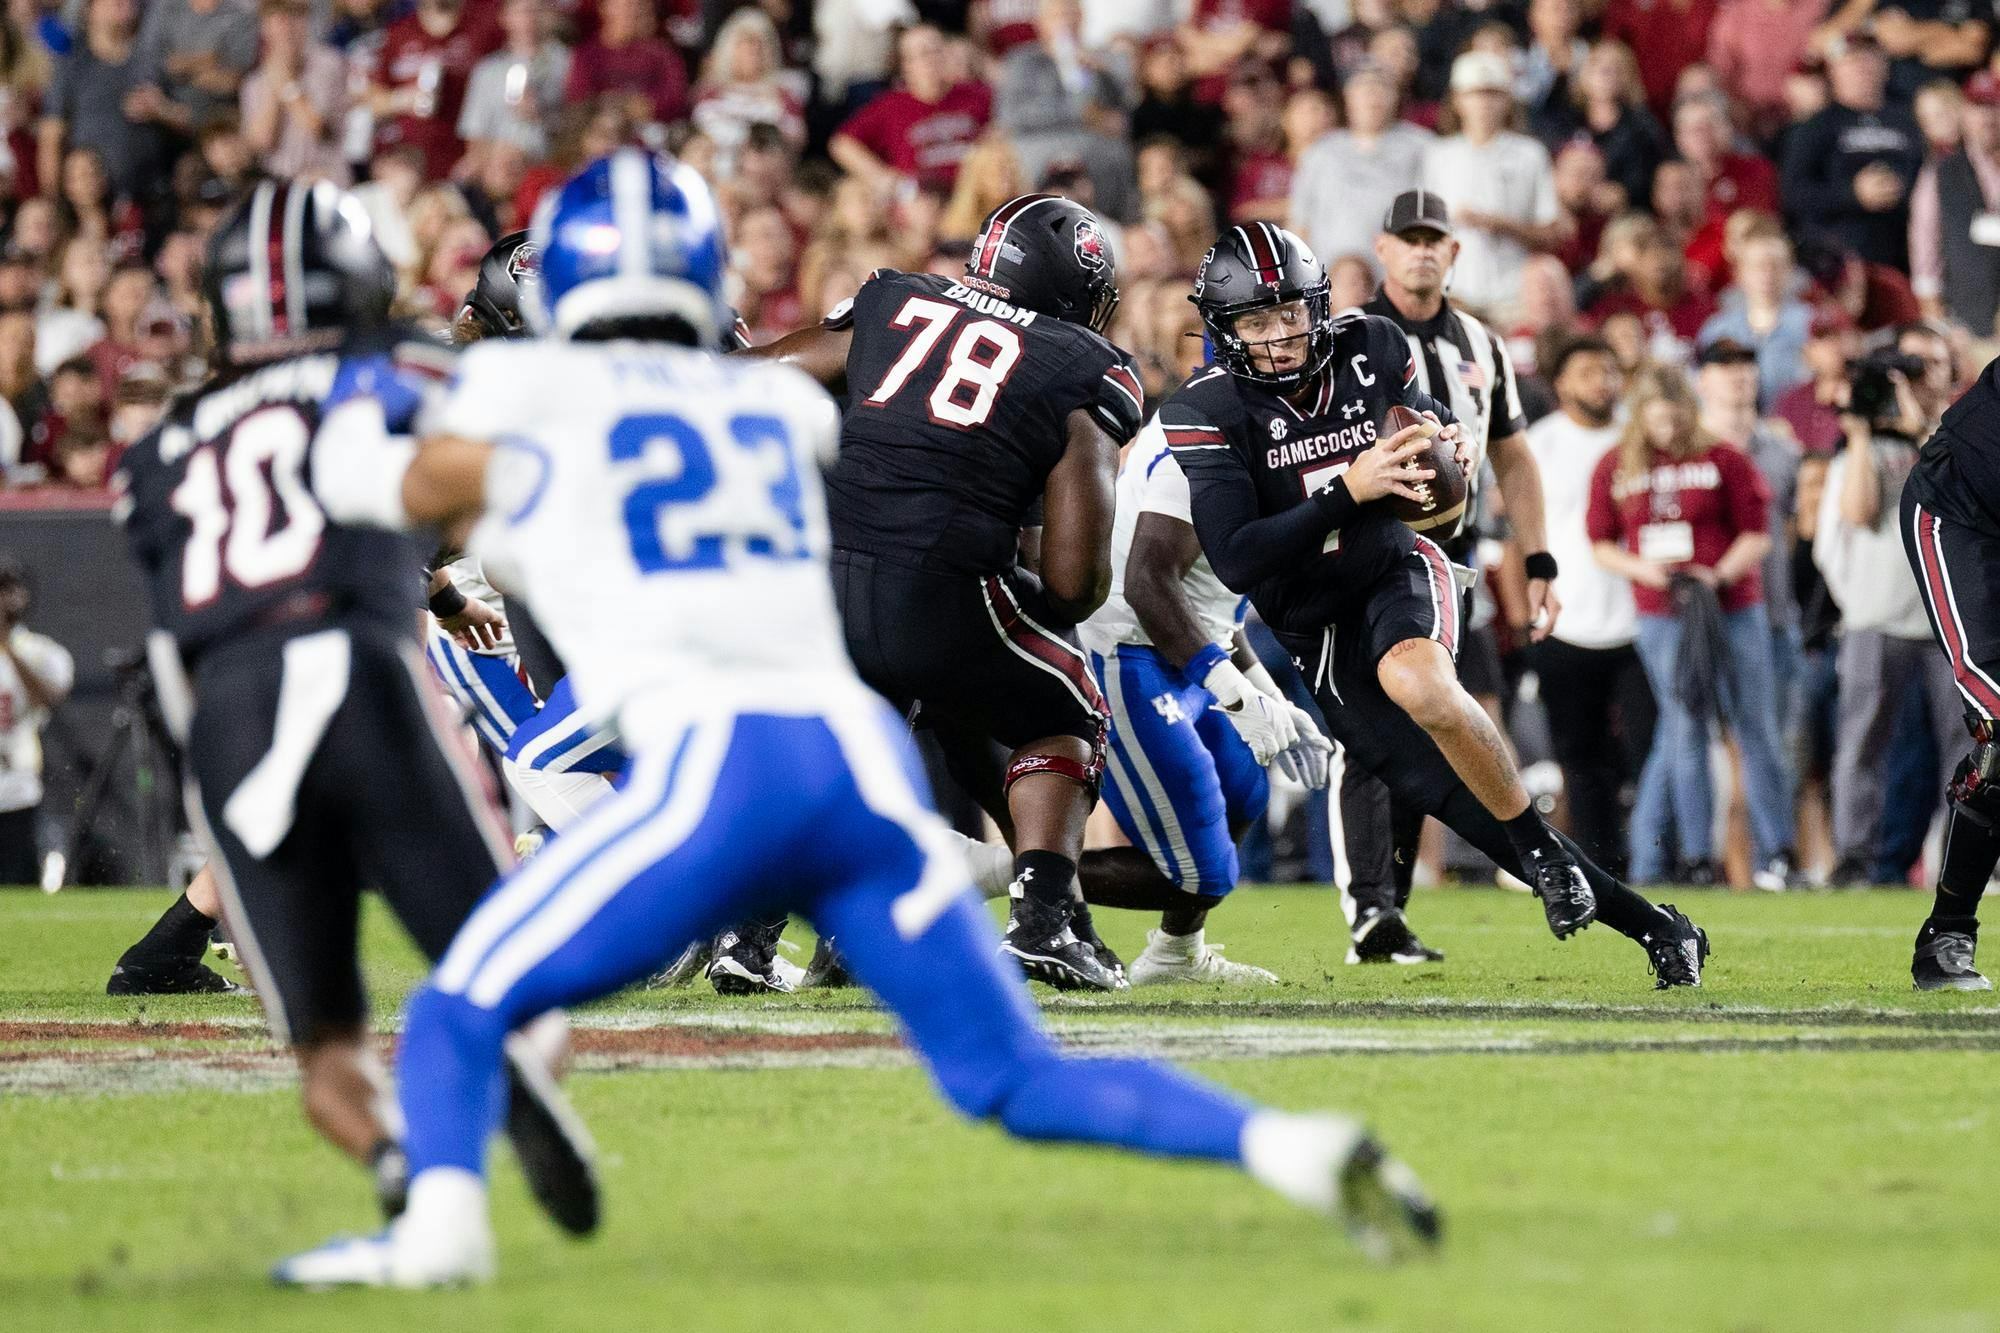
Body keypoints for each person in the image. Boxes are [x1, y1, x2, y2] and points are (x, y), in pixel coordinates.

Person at [271, 152, 1439, 1288]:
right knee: (1011, 1078)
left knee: (457, 1008)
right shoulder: (766, 412)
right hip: (853, 767)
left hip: (720, 772)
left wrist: (364, 393)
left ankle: (443, 1234)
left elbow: (369, 480)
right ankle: (1293, 1146)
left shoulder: (535, 401)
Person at [115, 178, 593, 1234]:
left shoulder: (158, 451)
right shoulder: (398, 363)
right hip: (358, 671)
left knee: (325, 1046)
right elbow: (438, 472)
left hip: (232, 708)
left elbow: (199, 604)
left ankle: (391, 1155)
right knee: (511, 977)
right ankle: (508, 1081)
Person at [1164, 222, 1707, 987]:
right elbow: (1238, 555)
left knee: (1417, 679)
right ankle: (1657, 925)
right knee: (1453, 799)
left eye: (1289, 313)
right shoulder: (1206, 407)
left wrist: (1447, 451)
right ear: (1225, 329)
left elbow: (1431, 446)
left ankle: (1544, 855)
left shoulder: (1370, 345)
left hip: (1395, 566)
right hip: (1314, 626)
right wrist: (1348, 490)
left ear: (1317, 306)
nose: (1279, 335)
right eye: (1256, 322)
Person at [756, 193, 1142, 992]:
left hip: (819, 581)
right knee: (1066, 706)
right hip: (938, 583)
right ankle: (1043, 917)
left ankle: (762, 930)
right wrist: (1024, 594)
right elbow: (1074, 582)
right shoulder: (1083, 363)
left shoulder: (895, 298)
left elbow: (761, 376)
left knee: (863, 731)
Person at [1335, 189, 1537, 962]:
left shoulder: (1483, 344)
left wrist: (1539, 557)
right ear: (1383, 249)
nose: (1422, 250)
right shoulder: (1347, 337)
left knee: (1427, 720)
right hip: (1366, 550)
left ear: (1454, 251)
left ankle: (1389, 908)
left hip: (1453, 556)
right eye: (1408, 237)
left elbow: (1513, 455)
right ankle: (1371, 906)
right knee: (1372, 724)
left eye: (1435, 239)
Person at [1075, 414, 1331, 985]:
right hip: (1127, 649)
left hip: (1185, 650)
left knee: (1245, 793)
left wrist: (1270, 698)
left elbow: (1213, 609)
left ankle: (1176, 956)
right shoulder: (1202, 442)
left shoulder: (1251, 436)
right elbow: (1149, 585)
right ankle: (985, 871)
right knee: (1200, 874)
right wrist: (1238, 698)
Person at [1588, 362, 1796, 887]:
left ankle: (1778, 852)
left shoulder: (1723, 457)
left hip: (1733, 606)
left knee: (1755, 725)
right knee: (1684, 727)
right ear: (1641, 417)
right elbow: (1601, 543)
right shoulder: (1616, 465)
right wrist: (1645, 571)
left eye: (1675, 419)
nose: (1668, 431)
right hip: (1662, 613)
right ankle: (1697, 854)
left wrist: (1717, 574)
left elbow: (1757, 532)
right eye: (1658, 421)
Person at [1818, 325, 1965, 885]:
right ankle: (1854, 857)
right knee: (1862, 743)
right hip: (1876, 616)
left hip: (1950, 622)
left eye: (1928, 366)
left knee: (1969, 748)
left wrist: (1921, 428)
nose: (1915, 379)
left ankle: (1965, 858)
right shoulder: (1866, 447)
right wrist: (1860, 433)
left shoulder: (1963, 436)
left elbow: (1957, 495)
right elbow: (1857, 513)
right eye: (1906, 367)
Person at [1525, 337, 1652, 878]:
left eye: (1609, 370)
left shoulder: (1638, 437)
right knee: (1580, 758)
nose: (1603, 382)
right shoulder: (1539, 444)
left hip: (1641, 620)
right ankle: (1600, 868)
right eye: (1588, 372)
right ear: (1561, 384)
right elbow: (1517, 535)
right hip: (1565, 620)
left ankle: (1656, 860)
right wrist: (1525, 610)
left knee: (1648, 751)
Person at [1418, 50, 1564, 317]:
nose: (1484, 103)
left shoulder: (1529, 154)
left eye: (1493, 94)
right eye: (1475, 94)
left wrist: (1502, 224)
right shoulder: (1437, 155)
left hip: (1514, 294)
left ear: (1507, 100)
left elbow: (1551, 231)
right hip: (1454, 292)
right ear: (1457, 100)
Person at [1779, 33, 1924, 271]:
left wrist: (1904, 190)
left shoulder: (1910, 120)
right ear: (1832, 71)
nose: (1862, 67)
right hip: (1838, 258)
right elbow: (1794, 194)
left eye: (1869, 58)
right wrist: (1852, 194)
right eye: (1851, 61)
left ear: (1885, 66)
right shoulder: (1815, 126)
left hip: (1905, 252)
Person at [1288, 60, 1432, 274]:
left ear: (1396, 95)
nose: (1372, 95)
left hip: (1395, 278)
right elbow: (1300, 222)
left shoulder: (1422, 146)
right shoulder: (1321, 151)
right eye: (1363, 87)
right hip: (1331, 279)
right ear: (1347, 96)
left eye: (1381, 86)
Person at [830, 22, 993, 193]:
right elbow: (841, 144)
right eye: (922, 54)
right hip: (922, 198)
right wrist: (885, 180)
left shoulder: (978, 94)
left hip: (970, 194)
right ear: (906, 64)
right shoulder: (891, 105)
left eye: (936, 51)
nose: (931, 60)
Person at [1909, 70, 2000, 334]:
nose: (1987, 119)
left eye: (1994, 107)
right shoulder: (1941, 171)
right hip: (1972, 323)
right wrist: (1932, 312)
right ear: (1964, 114)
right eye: (1978, 109)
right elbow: (1925, 241)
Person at [0, 554, 69, 885]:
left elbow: (49, 696)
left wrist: (7, 647)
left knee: (18, 887)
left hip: (17, 786)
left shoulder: (38, 650)